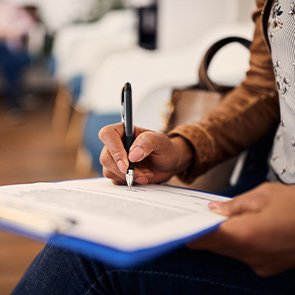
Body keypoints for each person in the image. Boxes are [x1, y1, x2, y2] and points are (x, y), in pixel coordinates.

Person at [12, 0, 295, 294]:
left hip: (279, 225)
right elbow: (264, 87)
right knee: (96, 239)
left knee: (87, 259)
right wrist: (182, 147)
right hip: (264, 191)